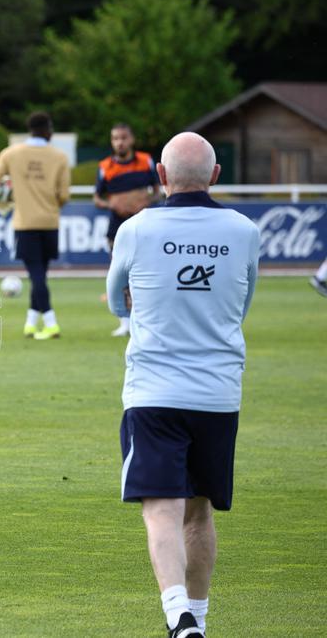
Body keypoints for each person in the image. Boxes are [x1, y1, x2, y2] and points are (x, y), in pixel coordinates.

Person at [107, 132, 259, 637]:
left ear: (161, 177)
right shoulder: (243, 230)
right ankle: (200, 620)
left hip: (154, 391)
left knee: (161, 507)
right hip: (218, 393)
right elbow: (243, 302)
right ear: (216, 176)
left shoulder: (136, 228)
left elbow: (115, 302)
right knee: (199, 512)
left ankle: (178, 616)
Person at [0, 111, 70, 339]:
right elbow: (64, 196)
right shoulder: (59, 157)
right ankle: (31, 323)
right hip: (50, 222)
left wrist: (8, 197)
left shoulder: (11, 154)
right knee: (40, 274)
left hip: (25, 223)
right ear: (48, 129)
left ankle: (50, 323)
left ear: (30, 129)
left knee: (36, 275)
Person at [95, 123, 161, 336]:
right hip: (118, 224)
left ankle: (149, 319)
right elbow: (97, 198)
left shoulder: (145, 160)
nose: (119, 142)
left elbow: (159, 191)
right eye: (115, 138)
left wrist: (146, 202)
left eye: (123, 138)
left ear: (131, 139)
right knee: (120, 270)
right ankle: (124, 322)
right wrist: (112, 204)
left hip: (145, 222)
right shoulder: (105, 166)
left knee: (149, 270)